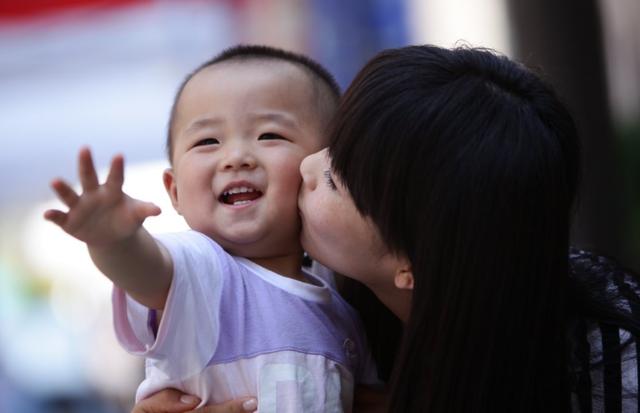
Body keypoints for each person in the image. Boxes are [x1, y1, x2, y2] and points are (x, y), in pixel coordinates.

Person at [135, 44, 640, 413]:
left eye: (336, 179)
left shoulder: (609, 368)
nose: (307, 164)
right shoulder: (312, 291)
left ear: (412, 264)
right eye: (335, 145)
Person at [44, 45, 380, 412]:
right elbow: (148, 269)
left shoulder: (344, 309)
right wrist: (114, 242)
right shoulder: (205, 270)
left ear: (324, 166)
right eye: (207, 141)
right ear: (174, 191)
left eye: (270, 135)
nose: (236, 157)